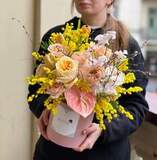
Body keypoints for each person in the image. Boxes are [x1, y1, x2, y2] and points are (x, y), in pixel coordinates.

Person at [28, 0, 149, 160]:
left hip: (106, 153)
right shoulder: (56, 37)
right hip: (54, 151)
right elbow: (36, 89)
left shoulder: (125, 43)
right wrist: (45, 109)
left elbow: (136, 106)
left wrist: (104, 129)